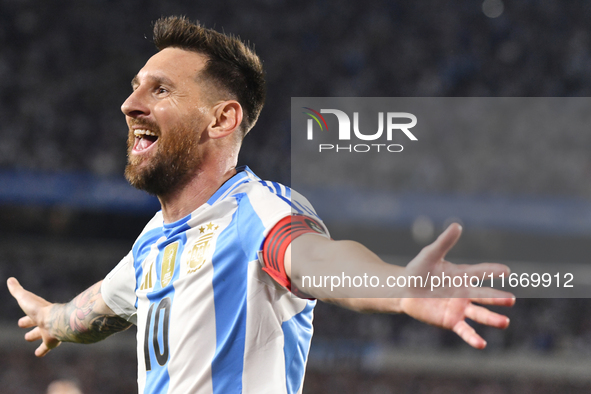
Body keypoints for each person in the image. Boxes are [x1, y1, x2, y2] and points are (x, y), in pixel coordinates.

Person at [7, 16, 515, 394]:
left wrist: (399, 285)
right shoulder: (150, 244)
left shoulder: (255, 212)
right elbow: (99, 306)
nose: (130, 104)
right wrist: (52, 318)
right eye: (134, 87)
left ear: (222, 120)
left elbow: (316, 258)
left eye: (159, 89)